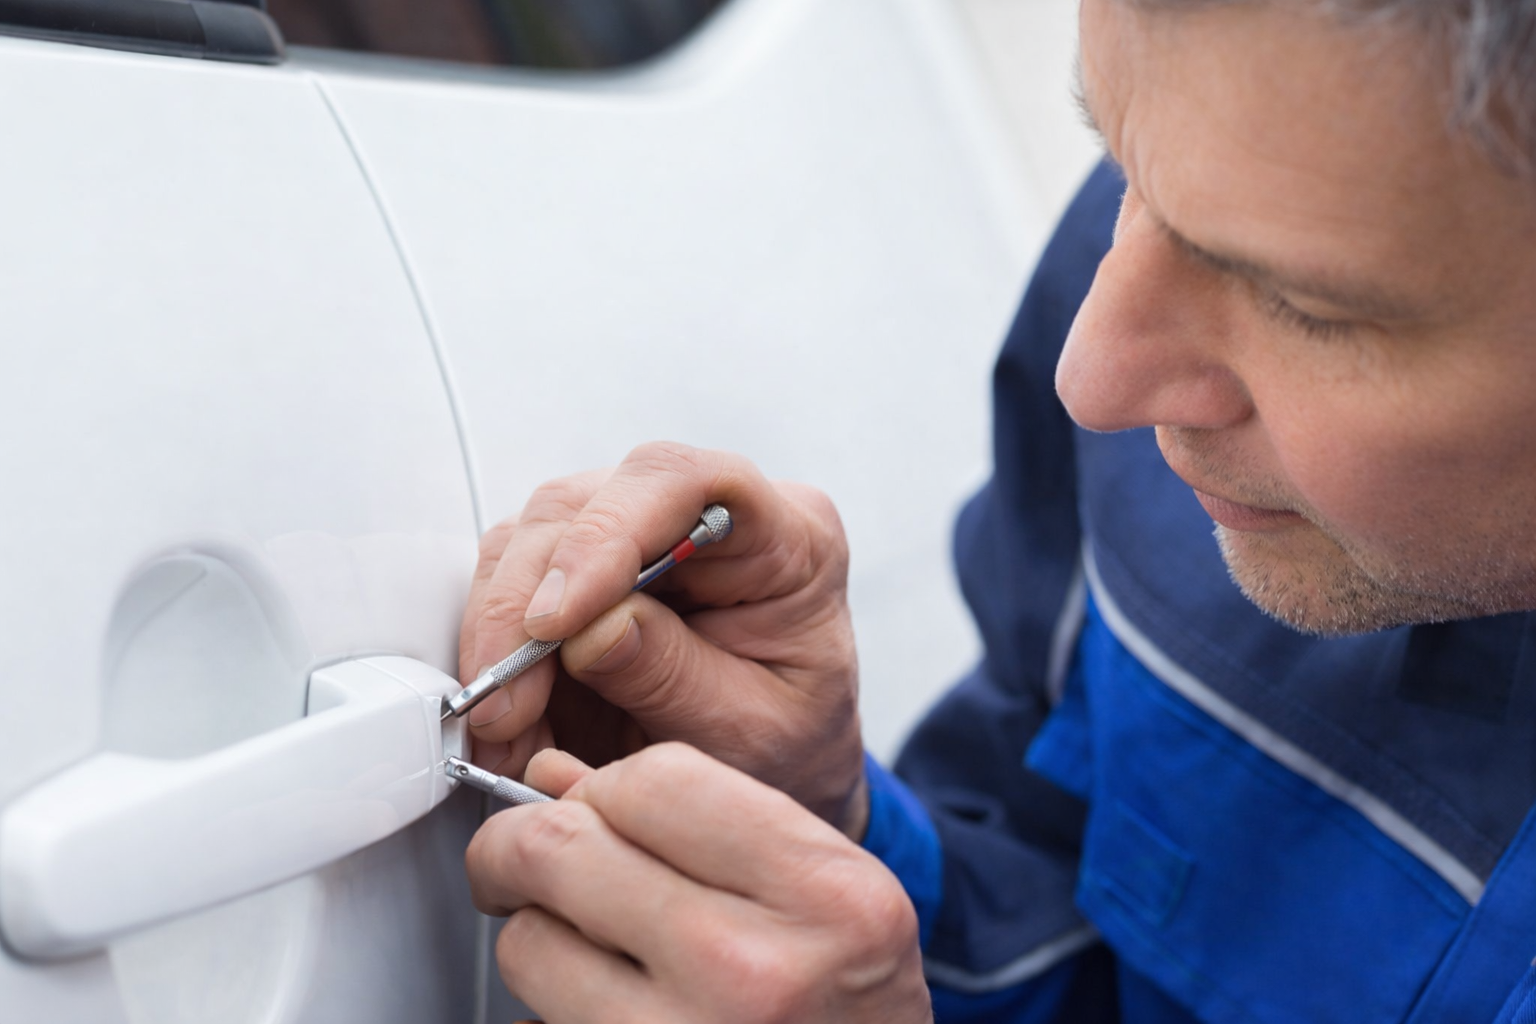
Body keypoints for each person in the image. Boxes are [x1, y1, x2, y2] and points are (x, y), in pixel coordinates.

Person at [454, 0, 1536, 1020]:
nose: (1092, 378)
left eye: (1302, 306)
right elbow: (1059, 901)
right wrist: (824, 839)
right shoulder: (1193, 210)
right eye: (1114, 163)